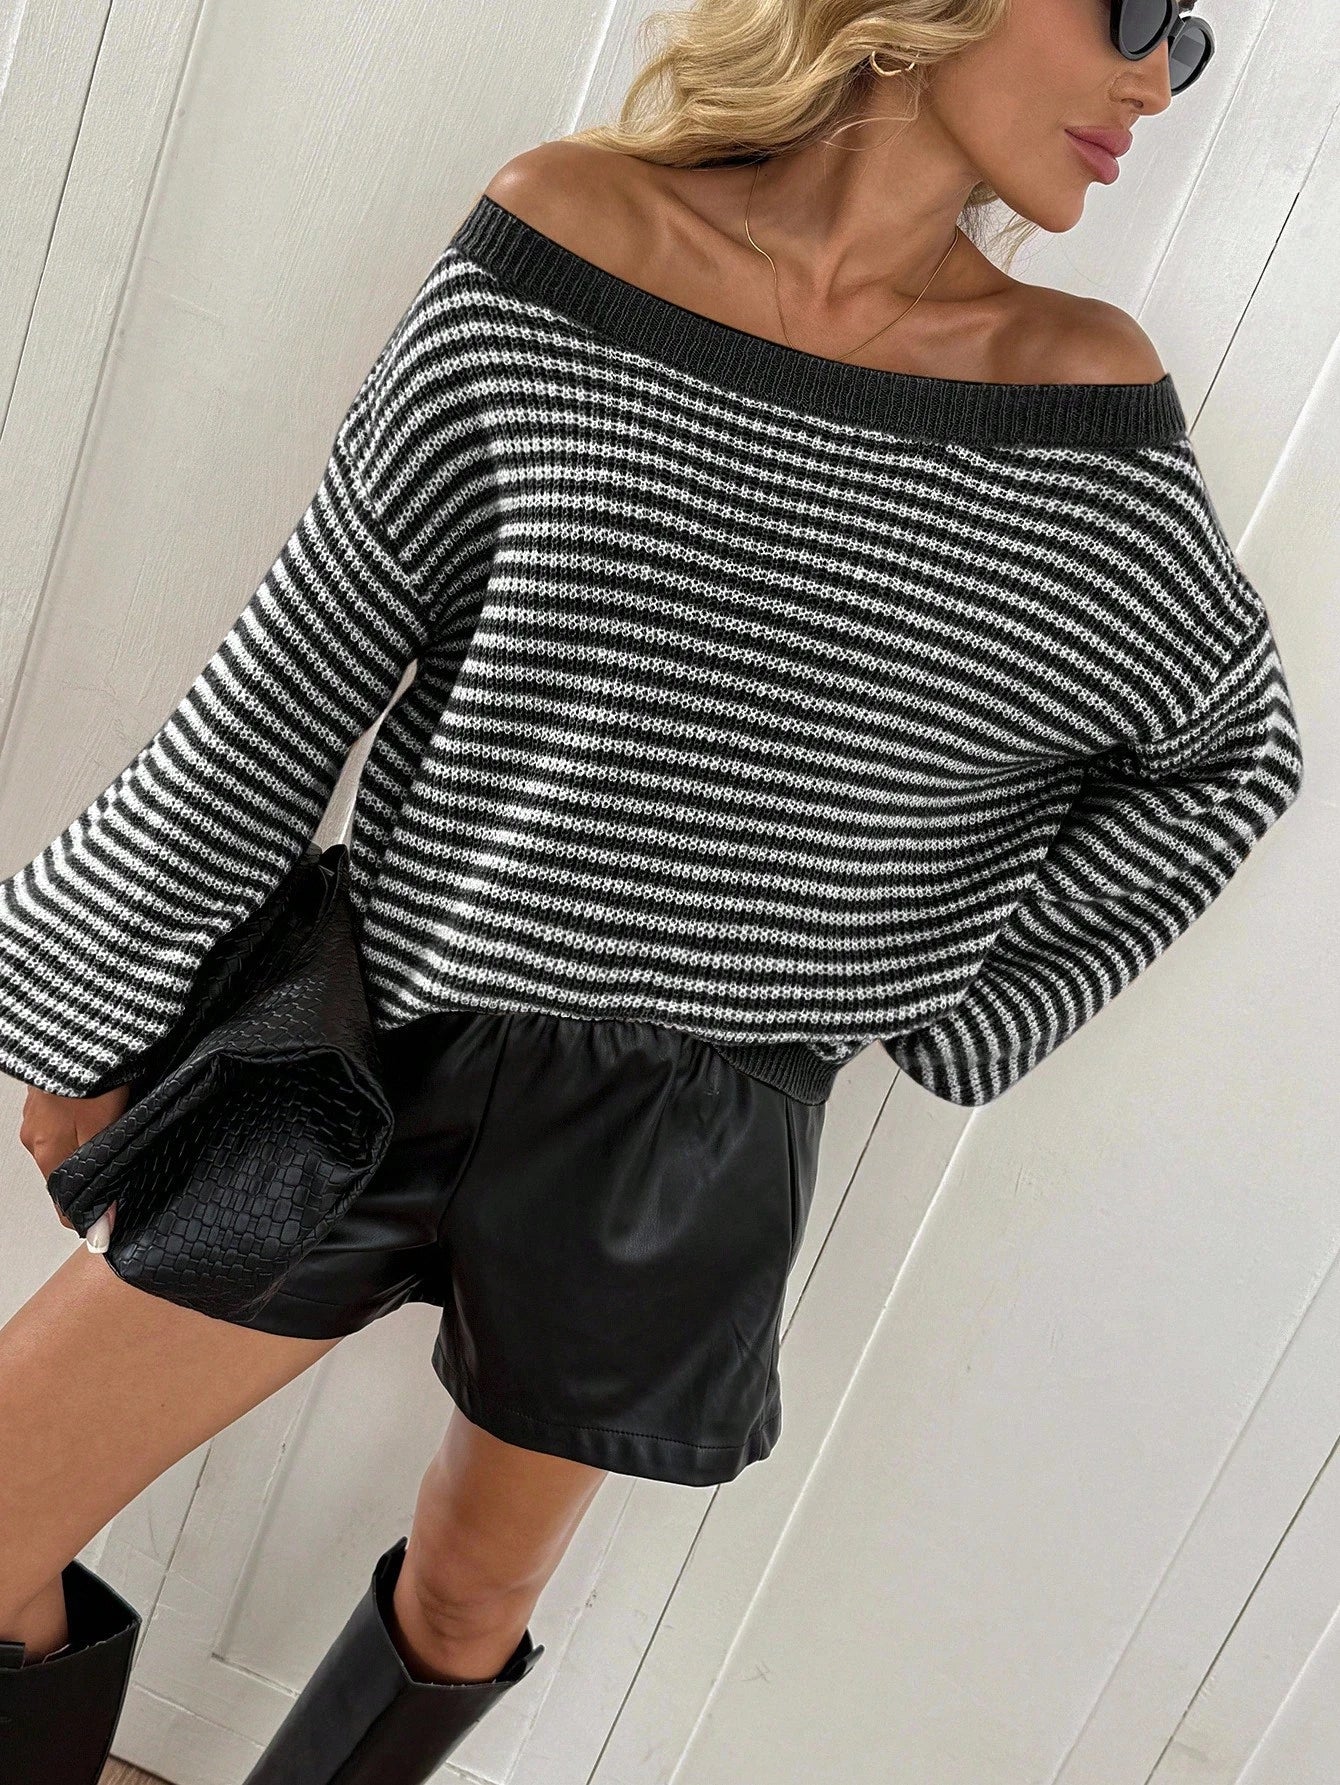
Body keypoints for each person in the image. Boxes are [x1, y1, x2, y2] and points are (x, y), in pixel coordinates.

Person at [0, 1, 1304, 1780]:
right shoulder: (566, 237)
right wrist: (96, 997)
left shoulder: (1079, 400)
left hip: (686, 1137)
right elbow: (302, 663)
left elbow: (1228, 750)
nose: (1158, 80)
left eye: (1195, 44)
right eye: (1139, 8)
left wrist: (956, 994)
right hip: (364, 1045)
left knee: (469, 1597)